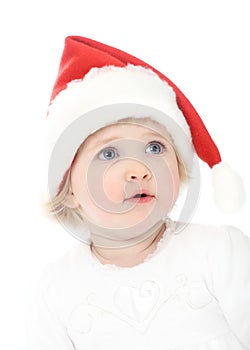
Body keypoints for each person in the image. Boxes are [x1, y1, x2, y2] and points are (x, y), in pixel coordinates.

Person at [27, 36, 250, 349]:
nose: (139, 169)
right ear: (70, 188)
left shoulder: (221, 253)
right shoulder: (56, 289)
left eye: (154, 147)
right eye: (109, 154)